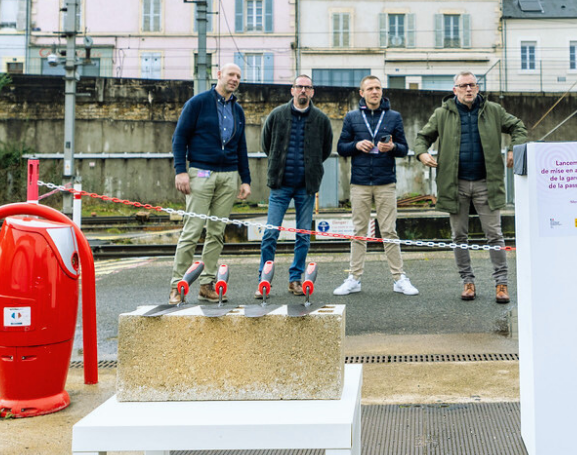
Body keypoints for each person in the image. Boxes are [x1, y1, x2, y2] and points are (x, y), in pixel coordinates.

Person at [413, 71, 527, 303]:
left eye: (472, 85)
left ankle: (501, 284)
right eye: (463, 85)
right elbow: (422, 137)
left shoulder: (493, 111)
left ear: (477, 88)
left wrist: (516, 148)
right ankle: (468, 282)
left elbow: (518, 127)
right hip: (455, 184)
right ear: (454, 90)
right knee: (459, 236)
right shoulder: (442, 113)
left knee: (494, 235)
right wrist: (422, 153)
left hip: (487, 183)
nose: (468, 89)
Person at [169, 63, 251, 303]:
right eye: (230, 74)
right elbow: (179, 138)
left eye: (238, 76)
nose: (234, 79)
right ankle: (177, 286)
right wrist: (180, 171)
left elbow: (241, 147)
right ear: (219, 76)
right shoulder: (198, 103)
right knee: (192, 231)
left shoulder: (238, 111)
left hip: (228, 176)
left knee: (217, 233)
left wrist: (245, 179)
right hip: (200, 173)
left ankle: (206, 284)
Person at [334, 75, 418, 296]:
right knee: (359, 231)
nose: (375, 92)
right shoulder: (352, 117)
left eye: (378, 88)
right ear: (361, 93)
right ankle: (354, 278)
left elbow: (404, 149)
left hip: (385, 182)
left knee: (389, 231)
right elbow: (341, 147)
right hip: (360, 183)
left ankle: (399, 279)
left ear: (382, 92)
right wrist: (356, 144)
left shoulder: (394, 117)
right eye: (370, 88)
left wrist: (392, 147)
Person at [259, 74, 334, 295]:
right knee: (270, 234)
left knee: (303, 234)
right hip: (280, 185)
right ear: (292, 90)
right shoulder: (277, 115)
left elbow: (326, 149)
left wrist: (310, 167)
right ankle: (264, 279)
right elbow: (266, 144)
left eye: (307, 87)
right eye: (299, 87)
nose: (303, 90)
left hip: (306, 187)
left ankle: (295, 280)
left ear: (312, 92)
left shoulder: (321, 119)